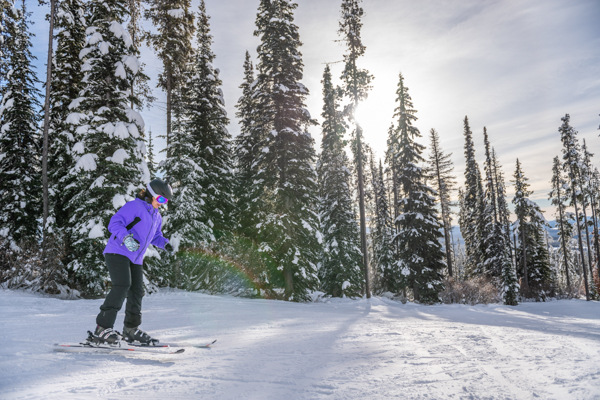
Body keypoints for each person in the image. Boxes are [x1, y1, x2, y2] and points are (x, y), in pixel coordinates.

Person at [93, 179, 174, 345]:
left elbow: (156, 237)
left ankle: (130, 329)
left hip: (136, 257)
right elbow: (114, 223)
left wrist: (165, 244)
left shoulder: (156, 216)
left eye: (165, 201)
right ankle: (102, 328)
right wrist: (126, 238)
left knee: (137, 291)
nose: (163, 204)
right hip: (118, 251)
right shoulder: (134, 207)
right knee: (122, 285)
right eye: (161, 199)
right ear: (151, 195)